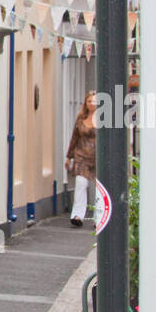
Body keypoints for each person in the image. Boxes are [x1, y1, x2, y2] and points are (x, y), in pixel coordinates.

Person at [66, 91, 97, 227]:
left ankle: (99, 216)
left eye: (94, 101)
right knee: (81, 183)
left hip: (97, 157)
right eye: (89, 101)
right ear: (86, 103)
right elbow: (74, 138)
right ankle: (77, 215)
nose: (92, 104)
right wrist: (69, 157)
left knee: (98, 188)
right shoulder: (81, 119)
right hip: (81, 156)